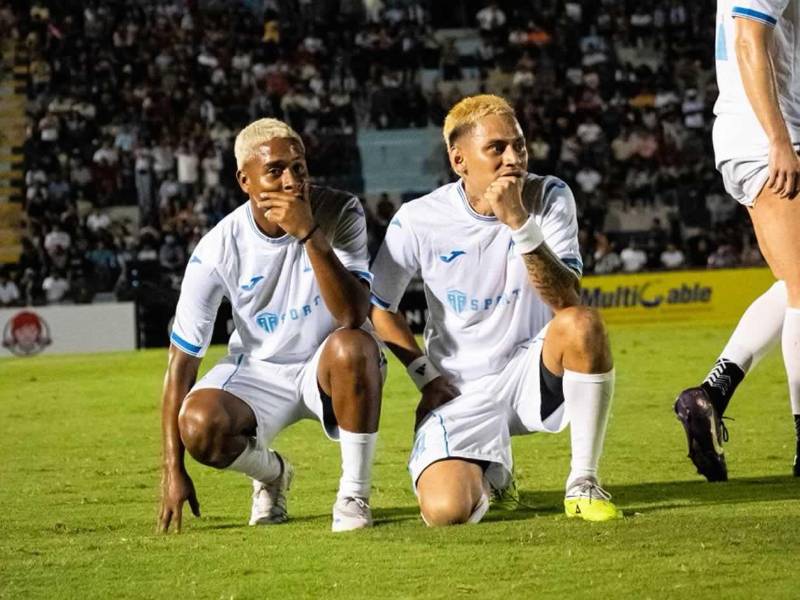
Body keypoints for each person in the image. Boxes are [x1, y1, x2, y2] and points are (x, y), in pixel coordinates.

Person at [369, 95, 620, 525]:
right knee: (446, 512)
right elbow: (379, 308)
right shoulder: (417, 219)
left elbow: (566, 300)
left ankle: (583, 482)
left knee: (582, 324)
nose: (514, 159)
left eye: (519, 146)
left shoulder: (549, 195)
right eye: (497, 148)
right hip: (459, 390)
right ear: (459, 160)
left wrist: (519, 222)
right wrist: (425, 378)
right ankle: (494, 477)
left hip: (531, 370)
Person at [158, 118, 384, 533]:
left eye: (298, 167)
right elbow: (183, 362)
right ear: (245, 180)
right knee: (200, 424)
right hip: (260, 368)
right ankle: (272, 475)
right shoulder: (217, 248)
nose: (291, 180)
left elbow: (353, 315)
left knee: (356, 345)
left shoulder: (338, 211)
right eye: (275, 170)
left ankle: (354, 494)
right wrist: (174, 469)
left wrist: (310, 234)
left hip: (327, 361)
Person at [675, 0, 800, 481]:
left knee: (793, 282)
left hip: (776, 133)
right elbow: (750, 39)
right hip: (766, 138)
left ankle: (710, 395)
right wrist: (780, 141)